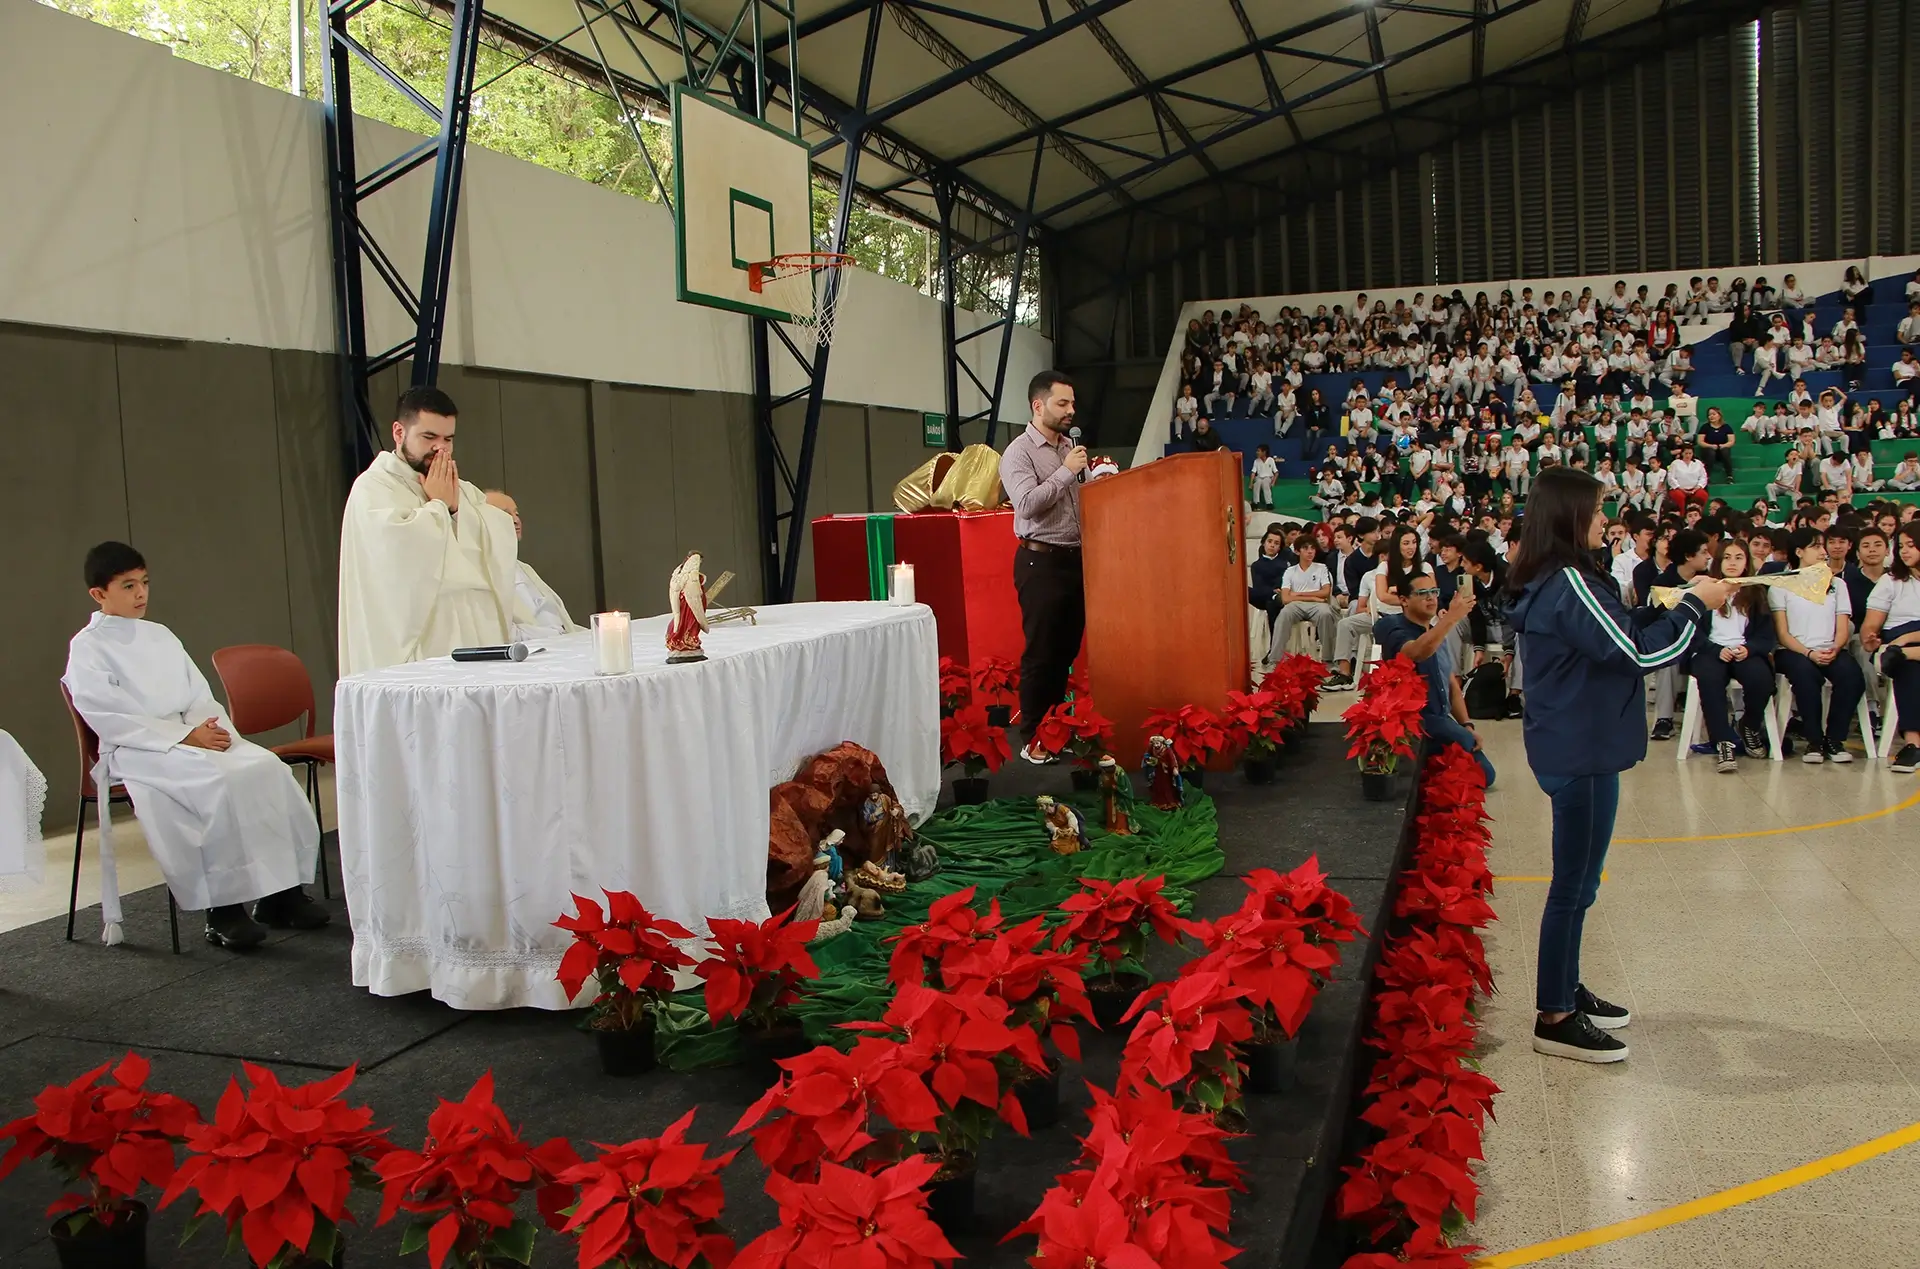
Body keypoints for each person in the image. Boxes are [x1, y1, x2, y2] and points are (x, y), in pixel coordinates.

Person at [1507, 467, 1733, 1062]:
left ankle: (1566, 988)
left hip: (1581, 743)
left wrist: (1677, 601)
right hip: (1578, 749)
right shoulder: (1567, 583)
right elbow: (1637, 651)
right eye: (1599, 510)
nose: (1607, 520)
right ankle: (1554, 1014)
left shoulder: (1568, 578)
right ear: (1571, 516)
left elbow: (1622, 632)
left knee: (1582, 884)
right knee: (1572, 886)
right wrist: (1693, 606)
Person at [63, 542, 330, 949]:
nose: (141, 594)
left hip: (192, 734)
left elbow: (198, 696)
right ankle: (222, 910)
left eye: (145, 583)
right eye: (128, 586)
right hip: (141, 748)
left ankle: (281, 895)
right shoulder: (87, 647)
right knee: (217, 784)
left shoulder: (160, 635)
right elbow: (109, 716)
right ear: (99, 595)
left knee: (265, 769)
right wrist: (185, 737)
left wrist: (207, 729)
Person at [337, 388, 524, 677]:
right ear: (399, 433)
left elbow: (498, 531)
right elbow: (393, 559)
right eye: (429, 437)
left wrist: (456, 509)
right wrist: (438, 506)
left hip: (472, 631)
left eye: (448, 439)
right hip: (419, 642)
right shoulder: (373, 489)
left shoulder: (459, 487)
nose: (441, 449)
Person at [1001, 371, 1093, 763]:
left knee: (1066, 651)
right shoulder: (1019, 453)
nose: (1071, 410)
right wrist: (1067, 471)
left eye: (1072, 403)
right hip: (1041, 561)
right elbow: (1026, 504)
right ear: (1038, 406)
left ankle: (1057, 731)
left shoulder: (1068, 448)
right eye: (1062, 404)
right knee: (1043, 652)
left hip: (1077, 561)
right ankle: (1032, 738)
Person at [1372, 579, 1495, 786]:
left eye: (1434, 591)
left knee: (1485, 773)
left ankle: (1433, 768)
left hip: (1439, 717)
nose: (1431, 597)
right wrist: (1452, 619)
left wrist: (1467, 724)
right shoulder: (1390, 625)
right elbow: (1416, 653)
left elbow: (1451, 684)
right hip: (1414, 720)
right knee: (1467, 749)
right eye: (1422, 593)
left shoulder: (1437, 633)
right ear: (1404, 600)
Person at [1771, 527, 1866, 764]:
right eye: (1816, 546)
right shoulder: (1781, 585)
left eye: (1822, 546)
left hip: (1829, 648)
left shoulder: (1837, 585)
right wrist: (1808, 653)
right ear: (1799, 552)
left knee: (1852, 676)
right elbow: (1782, 634)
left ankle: (1834, 739)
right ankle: (1814, 739)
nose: (1823, 552)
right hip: (1793, 651)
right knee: (1806, 675)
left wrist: (1835, 647)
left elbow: (1843, 627)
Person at [1685, 538, 1777, 770]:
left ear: (1747, 562)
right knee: (1709, 679)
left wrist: (1749, 649)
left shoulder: (1756, 592)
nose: (1733, 563)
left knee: (1760, 678)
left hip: (1744, 650)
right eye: (1727, 557)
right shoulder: (1705, 590)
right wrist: (1716, 649)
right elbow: (1691, 631)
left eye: (1739, 558)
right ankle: (1723, 741)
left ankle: (1749, 725)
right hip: (1711, 650)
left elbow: (1766, 636)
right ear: (1718, 561)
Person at [483, 491, 583, 641]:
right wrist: (555, 634)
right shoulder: (482, 573)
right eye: (505, 514)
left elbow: (559, 622)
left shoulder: (524, 568)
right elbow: (501, 633)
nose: (516, 520)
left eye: (516, 513)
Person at [1862, 524, 1920, 773]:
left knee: (1903, 658)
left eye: (1911, 545)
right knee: (1909, 669)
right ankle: (1913, 744)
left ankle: (1902, 654)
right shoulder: (1891, 581)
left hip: (1905, 642)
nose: (1904, 551)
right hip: (1896, 633)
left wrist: (1906, 641)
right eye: (1901, 546)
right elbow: (1870, 624)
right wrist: (1869, 638)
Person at [1271, 533, 1338, 660]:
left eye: (1312, 548)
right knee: (1284, 614)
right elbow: (1286, 598)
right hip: (1296, 605)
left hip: (1317, 605)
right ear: (1297, 551)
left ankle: (1328, 657)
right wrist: (1312, 597)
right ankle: (1275, 658)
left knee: (1326, 614)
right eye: (1305, 548)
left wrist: (1299, 594)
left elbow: (1325, 592)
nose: (1310, 552)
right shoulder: (1290, 571)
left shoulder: (1321, 568)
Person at [1250, 445, 1278, 510]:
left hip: (1268, 477)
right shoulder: (1256, 461)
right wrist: (1251, 483)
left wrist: (1273, 482)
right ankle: (1255, 503)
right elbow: (1253, 473)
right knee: (1257, 483)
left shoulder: (1271, 460)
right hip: (1259, 477)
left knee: (1265, 483)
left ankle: (1269, 503)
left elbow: (1276, 472)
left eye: (1258, 451)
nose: (1257, 452)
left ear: (1264, 452)